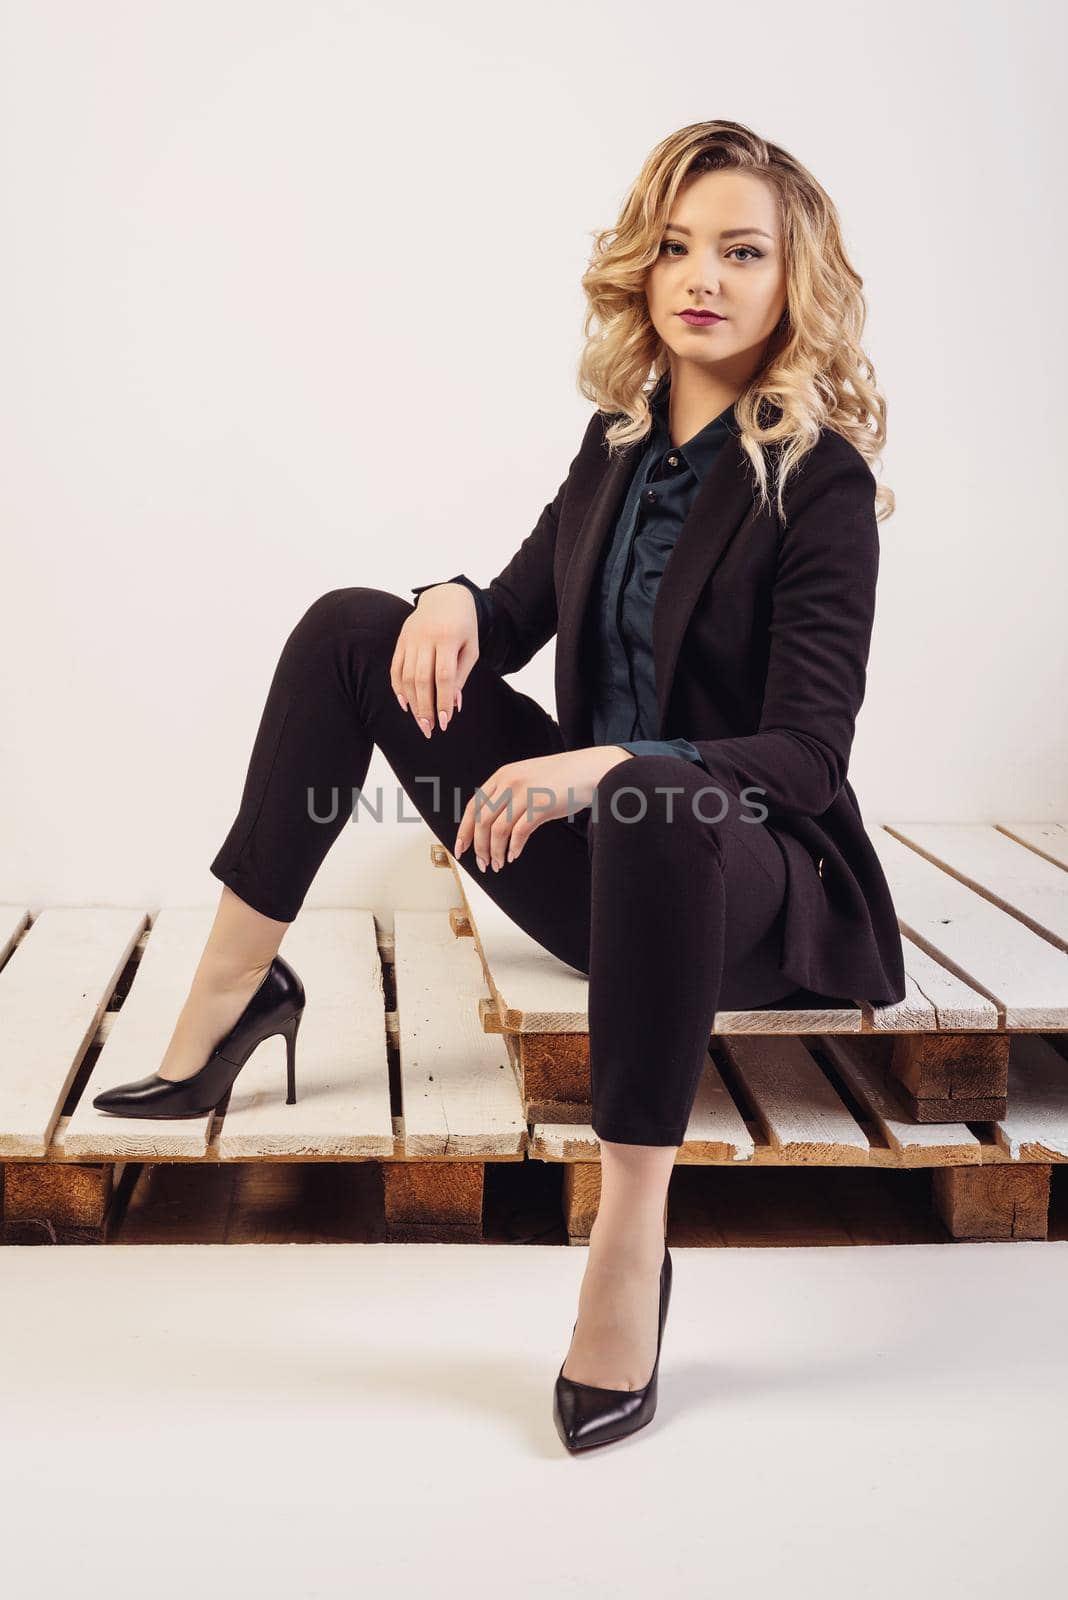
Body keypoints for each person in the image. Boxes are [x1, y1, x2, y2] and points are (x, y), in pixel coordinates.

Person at [92, 118, 906, 1453]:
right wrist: (454, 600)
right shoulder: (617, 443)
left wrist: (611, 761)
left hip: (746, 891)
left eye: (742, 251)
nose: (703, 274)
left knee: (658, 799)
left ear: (791, 280)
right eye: (678, 246)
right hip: (598, 874)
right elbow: (517, 610)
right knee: (358, 625)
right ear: (642, 269)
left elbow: (809, 757)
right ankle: (236, 997)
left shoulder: (816, 486)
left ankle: (628, 1238)